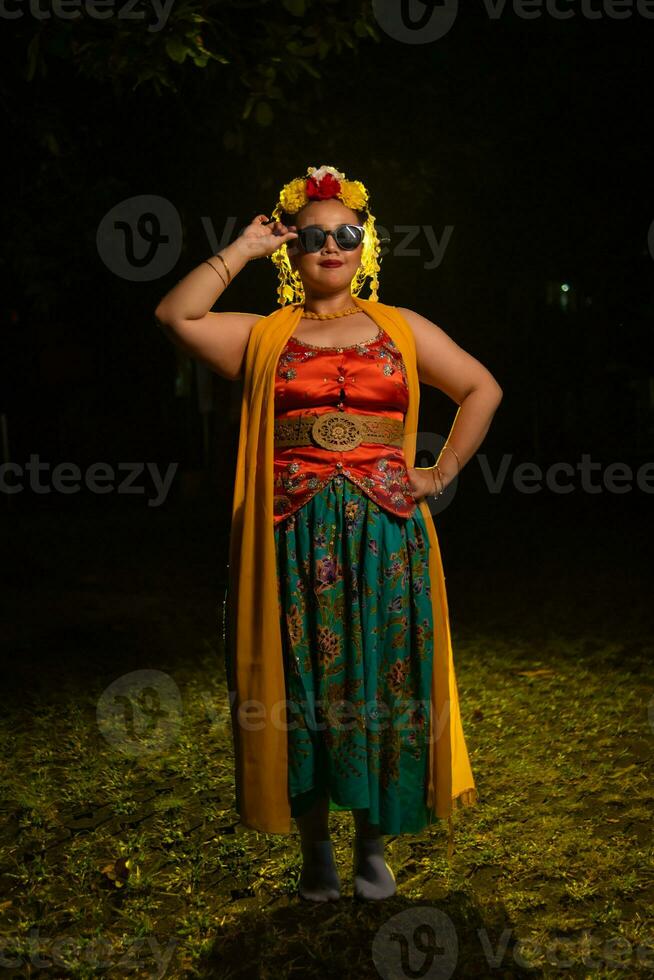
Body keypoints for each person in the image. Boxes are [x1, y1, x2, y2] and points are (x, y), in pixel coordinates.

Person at [154, 164, 503, 903]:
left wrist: (438, 475)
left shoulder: (402, 328)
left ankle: (373, 845)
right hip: (293, 541)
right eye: (312, 236)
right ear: (293, 251)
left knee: (380, 681)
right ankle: (317, 852)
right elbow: (177, 316)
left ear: (365, 243)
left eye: (346, 232)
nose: (330, 245)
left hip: (386, 541)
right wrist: (242, 249)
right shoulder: (262, 337)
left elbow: (482, 388)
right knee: (303, 689)